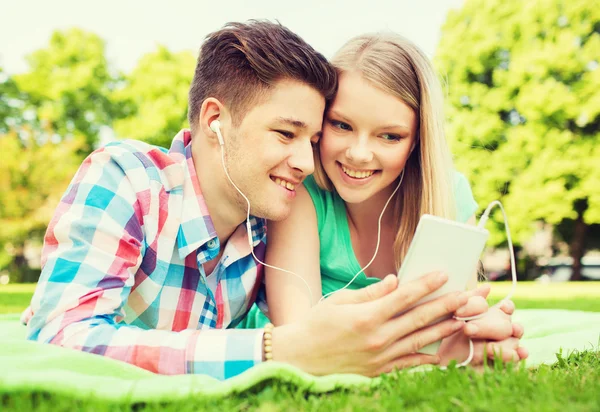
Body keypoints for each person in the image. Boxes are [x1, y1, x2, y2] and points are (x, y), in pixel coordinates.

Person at [22, 21, 478, 380]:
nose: (305, 162)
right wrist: (271, 350)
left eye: (314, 138)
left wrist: (455, 338)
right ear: (215, 120)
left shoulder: (263, 224)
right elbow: (60, 335)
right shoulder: (127, 179)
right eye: (286, 133)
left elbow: (328, 330)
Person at [240, 32, 528, 366]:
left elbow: (449, 323)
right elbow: (301, 338)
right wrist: (433, 350)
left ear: (417, 140)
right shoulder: (303, 191)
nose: (360, 154)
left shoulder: (449, 193)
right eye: (342, 125)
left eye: (390, 136)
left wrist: (473, 336)